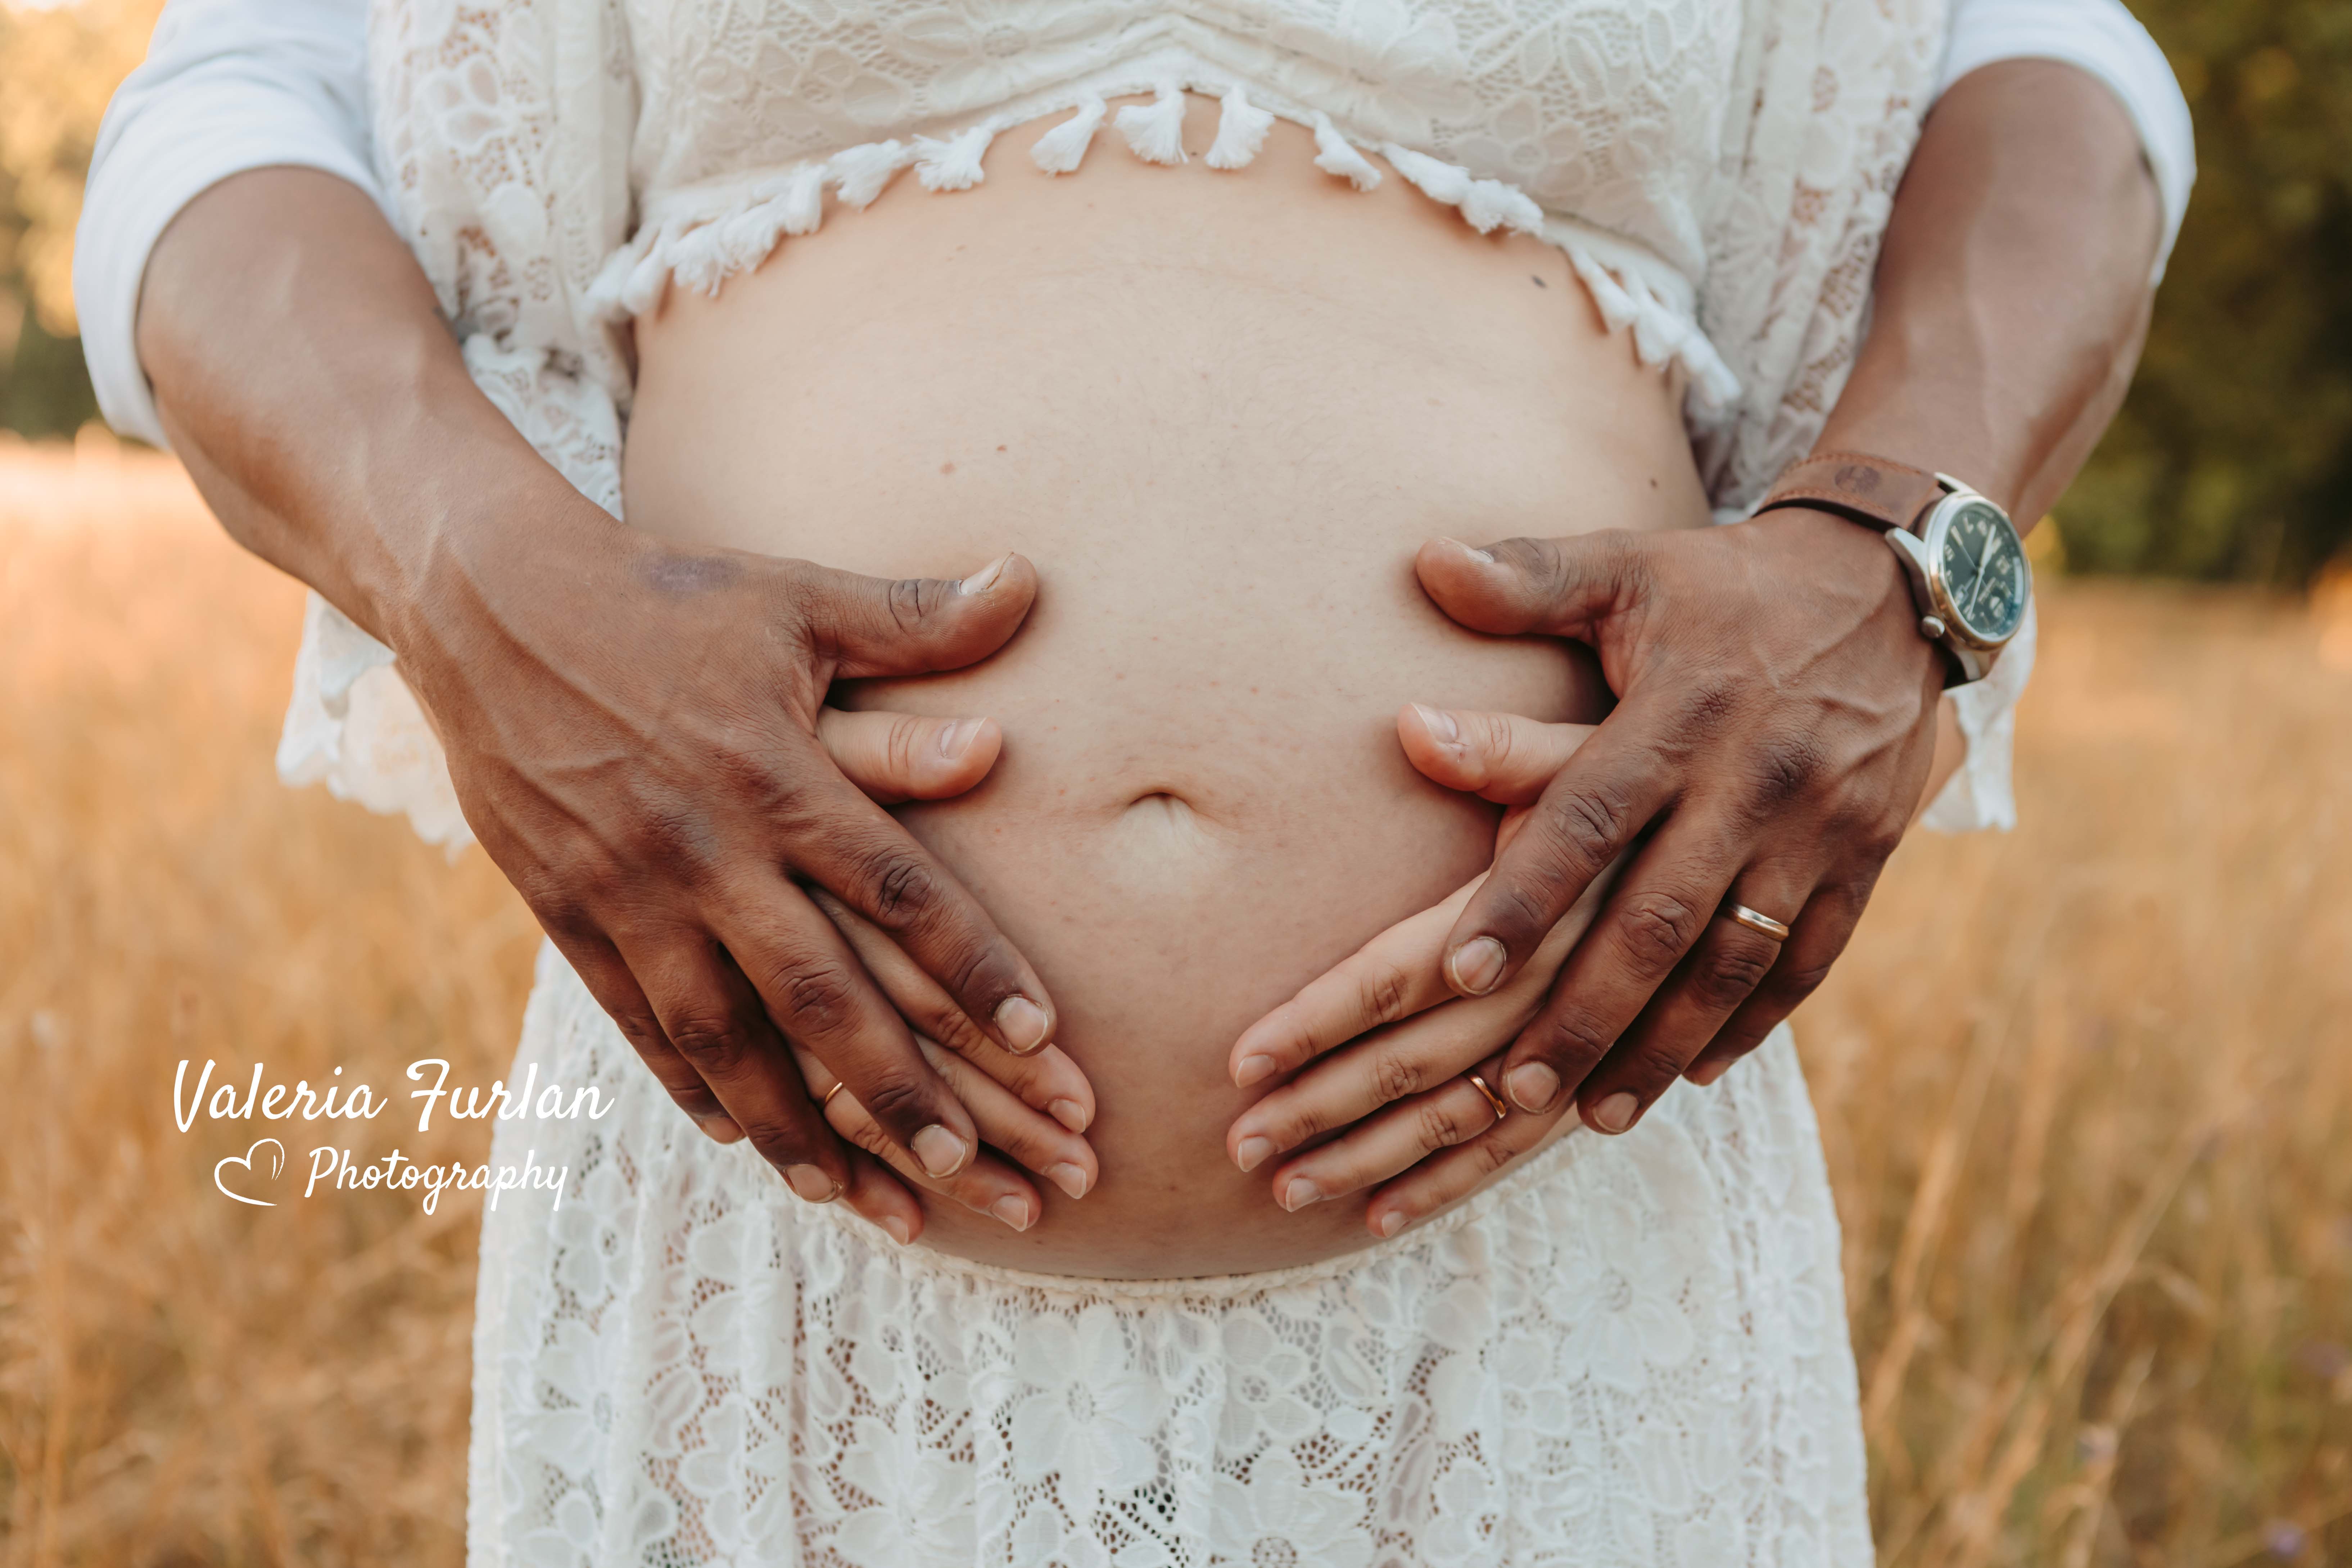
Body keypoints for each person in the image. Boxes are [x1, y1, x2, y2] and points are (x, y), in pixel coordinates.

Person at [81, 0, 2191, 1560]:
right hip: (782, 1262)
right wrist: (465, 566)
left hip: (1550, 1247)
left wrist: (1898, 549)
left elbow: (2048, 81)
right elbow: (232, 116)